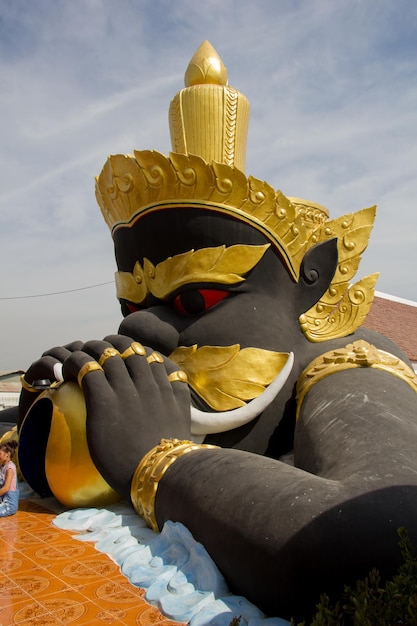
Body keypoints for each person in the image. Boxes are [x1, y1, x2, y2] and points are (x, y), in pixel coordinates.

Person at [14, 41, 417, 621]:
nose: (142, 329)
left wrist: (156, 459)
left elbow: (384, 531)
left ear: (310, 285)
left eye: (194, 297)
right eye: (132, 306)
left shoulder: (350, 363)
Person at [0, 440, 19, 517]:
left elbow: (6, 488)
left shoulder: (10, 468)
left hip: (9, 504)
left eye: (0, 454)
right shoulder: (2, 466)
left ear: (7, 454)